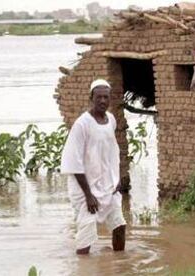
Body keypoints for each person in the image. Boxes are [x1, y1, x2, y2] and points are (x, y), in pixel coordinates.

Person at [61, 79, 126, 255]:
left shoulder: (110, 120)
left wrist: (116, 179)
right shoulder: (82, 124)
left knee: (119, 226)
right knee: (86, 235)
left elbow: (112, 152)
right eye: (99, 97)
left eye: (106, 97)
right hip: (85, 189)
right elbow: (73, 163)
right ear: (91, 98)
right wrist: (88, 195)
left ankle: (120, 265)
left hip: (107, 186)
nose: (103, 101)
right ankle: (84, 268)